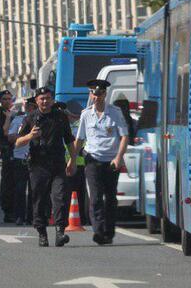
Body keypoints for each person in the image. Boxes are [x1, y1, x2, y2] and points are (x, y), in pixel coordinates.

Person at [16, 86, 77, 247]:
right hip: (38, 165)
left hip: (57, 163)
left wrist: (73, 160)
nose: (45, 101)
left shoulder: (60, 117)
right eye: (41, 99)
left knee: (60, 196)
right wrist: (30, 136)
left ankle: (60, 231)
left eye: (48, 98)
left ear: (51, 100)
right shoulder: (30, 118)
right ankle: (42, 232)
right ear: (36, 101)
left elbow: (69, 140)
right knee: (39, 199)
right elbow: (17, 142)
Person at [72, 78, 129, 246]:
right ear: (90, 94)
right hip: (92, 159)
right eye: (93, 93)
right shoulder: (85, 114)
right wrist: (73, 160)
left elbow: (124, 136)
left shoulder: (115, 112)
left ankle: (109, 231)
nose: (96, 97)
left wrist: (119, 157)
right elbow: (80, 139)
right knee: (96, 198)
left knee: (110, 198)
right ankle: (98, 231)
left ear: (105, 94)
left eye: (100, 94)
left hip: (111, 161)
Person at [8, 93, 38, 225]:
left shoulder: (40, 119)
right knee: (20, 189)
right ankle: (19, 216)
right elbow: (11, 137)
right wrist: (25, 136)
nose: (30, 109)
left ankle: (32, 217)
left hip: (36, 158)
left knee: (35, 190)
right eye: (29, 107)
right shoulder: (19, 120)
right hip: (20, 158)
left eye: (32, 107)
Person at [0, 89, 17, 223]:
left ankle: (18, 209)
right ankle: (8, 210)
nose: (7, 101)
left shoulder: (16, 114)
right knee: (7, 182)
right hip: (6, 151)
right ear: (0, 101)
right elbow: (4, 133)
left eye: (9, 99)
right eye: (4, 99)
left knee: (18, 182)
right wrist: (8, 117)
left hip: (18, 151)